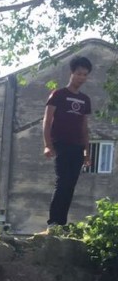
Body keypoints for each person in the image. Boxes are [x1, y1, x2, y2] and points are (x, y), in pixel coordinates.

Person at [43, 55, 92, 227]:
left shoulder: (85, 100)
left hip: (77, 146)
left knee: (71, 185)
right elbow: (47, 121)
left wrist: (87, 152)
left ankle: (61, 223)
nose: (82, 77)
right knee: (63, 181)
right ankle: (53, 222)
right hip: (61, 143)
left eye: (85, 75)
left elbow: (85, 128)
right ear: (72, 73)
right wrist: (48, 145)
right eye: (79, 73)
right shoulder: (58, 94)